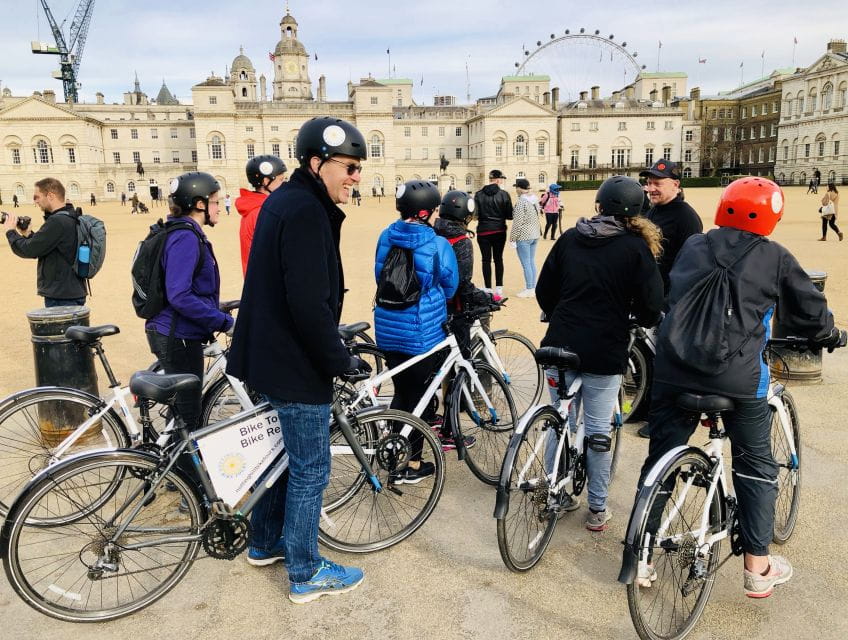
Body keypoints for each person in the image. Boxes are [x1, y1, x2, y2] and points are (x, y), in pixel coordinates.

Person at [636, 176, 843, 597]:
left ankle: (640, 557)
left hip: (673, 369)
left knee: (660, 458)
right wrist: (830, 335)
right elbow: (809, 310)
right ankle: (757, 568)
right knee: (757, 466)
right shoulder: (775, 257)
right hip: (736, 379)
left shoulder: (697, 245)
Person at [226, 116, 369, 603]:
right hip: (294, 362)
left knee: (282, 460)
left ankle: (266, 543)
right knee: (311, 468)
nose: (355, 176)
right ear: (316, 162)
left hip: (270, 355)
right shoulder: (306, 210)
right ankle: (305, 572)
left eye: (358, 168)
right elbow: (307, 303)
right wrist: (339, 359)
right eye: (348, 167)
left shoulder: (286, 201)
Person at [536, 176, 663, 531]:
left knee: (559, 418)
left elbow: (545, 290)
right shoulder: (636, 248)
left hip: (558, 342)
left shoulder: (570, 238)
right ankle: (597, 508)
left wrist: (560, 310)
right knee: (597, 431)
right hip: (603, 349)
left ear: (599, 205)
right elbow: (652, 303)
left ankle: (552, 489)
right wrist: (641, 317)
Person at [145, 172, 233, 462]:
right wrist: (222, 322)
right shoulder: (185, 238)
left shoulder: (183, 233)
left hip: (176, 331)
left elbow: (191, 290)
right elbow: (179, 295)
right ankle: (187, 486)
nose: (220, 207)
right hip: (176, 335)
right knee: (188, 416)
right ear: (199, 204)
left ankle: (174, 472)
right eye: (216, 202)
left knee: (182, 410)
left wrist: (216, 308)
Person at [374, 180, 459, 454]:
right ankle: (411, 462)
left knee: (401, 391)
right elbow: (450, 286)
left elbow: (380, 276)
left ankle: (394, 451)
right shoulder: (438, 243)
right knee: (421, 398)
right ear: (426, 213)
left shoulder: (385, 236)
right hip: (422, 331)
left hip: (388, 328)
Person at [637, 159, 703, 438]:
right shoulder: (653, 210)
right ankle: (643, 407)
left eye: (657, 183)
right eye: (649, 182)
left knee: (667, 365)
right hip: (652, 296)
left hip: (672, 302)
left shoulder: (686, 217)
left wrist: (671, 302)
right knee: (648, 357)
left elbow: (693, 265)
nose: (651, 188)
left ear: (676, 184)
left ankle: (663, 421)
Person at [4, 177, 87, 307]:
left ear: (50, 196)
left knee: (62, 328)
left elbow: (28, 250)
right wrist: (28, 234)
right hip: (71, 289)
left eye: (37, 197)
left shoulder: (57, 221)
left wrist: (10, 231)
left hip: (62, 295)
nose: (35, 201)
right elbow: (47, 246)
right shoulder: (71, 215)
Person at [236, 155, 287, 275]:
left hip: (257, 281)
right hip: (267, 282)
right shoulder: (264, 211)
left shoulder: (253, 208)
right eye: (281, 180)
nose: (284, 184)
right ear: (265, 181)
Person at [474, 169, 513, 296]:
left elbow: (475, 215)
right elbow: (509, 215)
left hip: (483, 230)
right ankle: (499, 288)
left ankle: (488, 287)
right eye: (501, 179)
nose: (502, 181)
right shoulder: (504, 194)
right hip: (499, 230)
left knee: (486, 260)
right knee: (498, 259)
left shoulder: (478, 194)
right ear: (497, 180)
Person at [509, 178, 541, 298]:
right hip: (534, 234)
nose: (515, 190)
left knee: (526, 263)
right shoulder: (534, 200)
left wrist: (512, 237)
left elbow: (517, 222)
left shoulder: (521, 202)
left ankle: (529, 288)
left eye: (516, 187)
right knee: (531, 262)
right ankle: (533, 287)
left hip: (524, 235)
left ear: (519, 188)